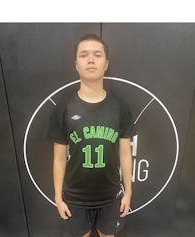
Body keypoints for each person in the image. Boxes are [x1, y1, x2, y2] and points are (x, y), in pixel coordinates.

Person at [45, 33, 136, 237]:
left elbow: (125, 153)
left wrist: (128, 192)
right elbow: (59, 159)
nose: (91, 60)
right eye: (84, 55)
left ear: (106, 63)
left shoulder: (120, 106)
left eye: (97, 55)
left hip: (111, 195)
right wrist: (58, 198)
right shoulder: (64, 108)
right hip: (75, 198)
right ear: (76, 64)